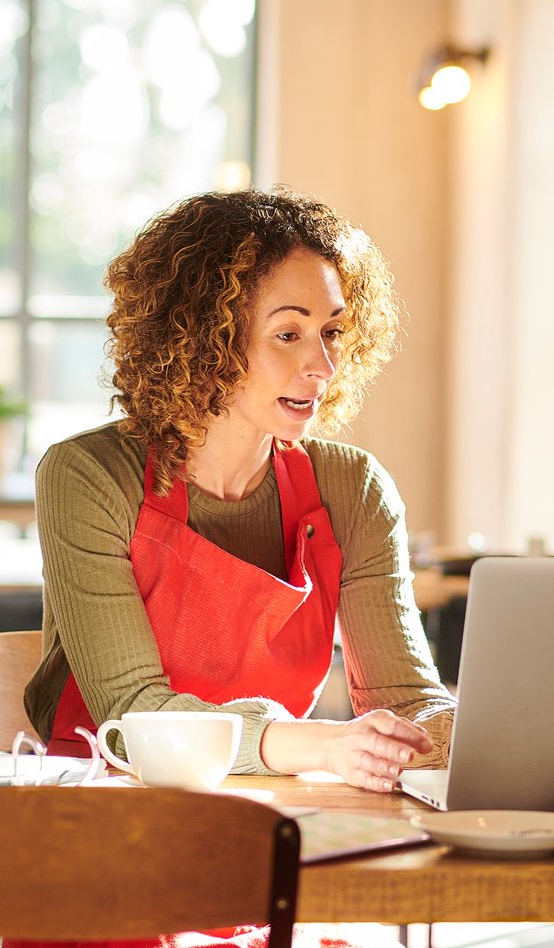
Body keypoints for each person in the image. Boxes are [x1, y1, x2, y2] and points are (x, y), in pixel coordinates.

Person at [25, 189, 452, 792]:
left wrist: (489, 729)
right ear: (204, 340)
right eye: (288, 334)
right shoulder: (88, 474)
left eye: (331, 332)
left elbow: (408, 700)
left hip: (274, 799)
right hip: (102, 800)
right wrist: (321, 747)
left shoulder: (352, 487)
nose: (323, 367)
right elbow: (133, 712)